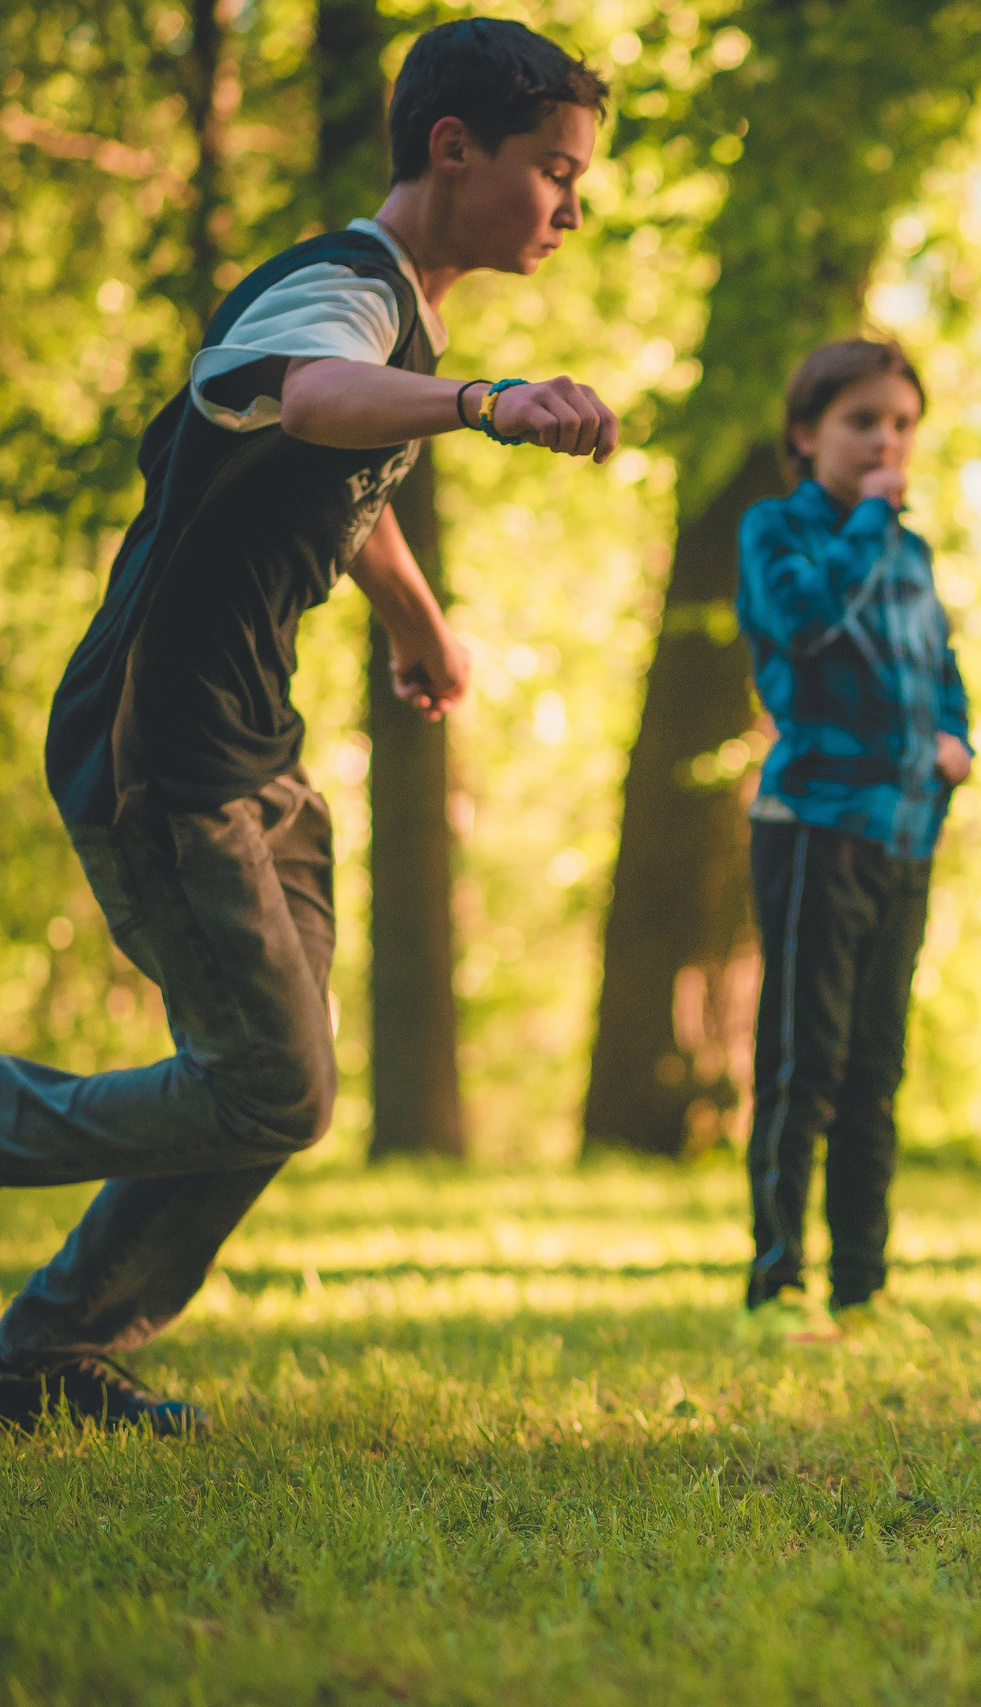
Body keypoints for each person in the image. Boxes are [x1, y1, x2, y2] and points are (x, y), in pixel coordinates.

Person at [0, 19, 618, 1435]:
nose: (573, 208)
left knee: (274, 1086)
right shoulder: (331, 293)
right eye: (555, 171)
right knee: (274, 1086)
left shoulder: (396, 305)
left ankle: (42, 1358)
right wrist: (490, 404)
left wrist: (419, 622)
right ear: (453, 150)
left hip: (254, 752)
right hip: (160, 750)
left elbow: (342, 471)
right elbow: (311, 397)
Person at [733, 337, 972, 1344]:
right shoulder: (778, 529)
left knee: (876, 1069)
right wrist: (871, 515)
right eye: (863, 420)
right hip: (813, 830)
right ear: (805, 432)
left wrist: (959, 733)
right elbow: (807, 623)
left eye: (902, 423)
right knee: (805, 1064)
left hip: (903, 837)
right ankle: (778, 1285)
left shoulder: (913, 555)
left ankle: (862, 1289)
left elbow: (940, 666)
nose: (887, 439)